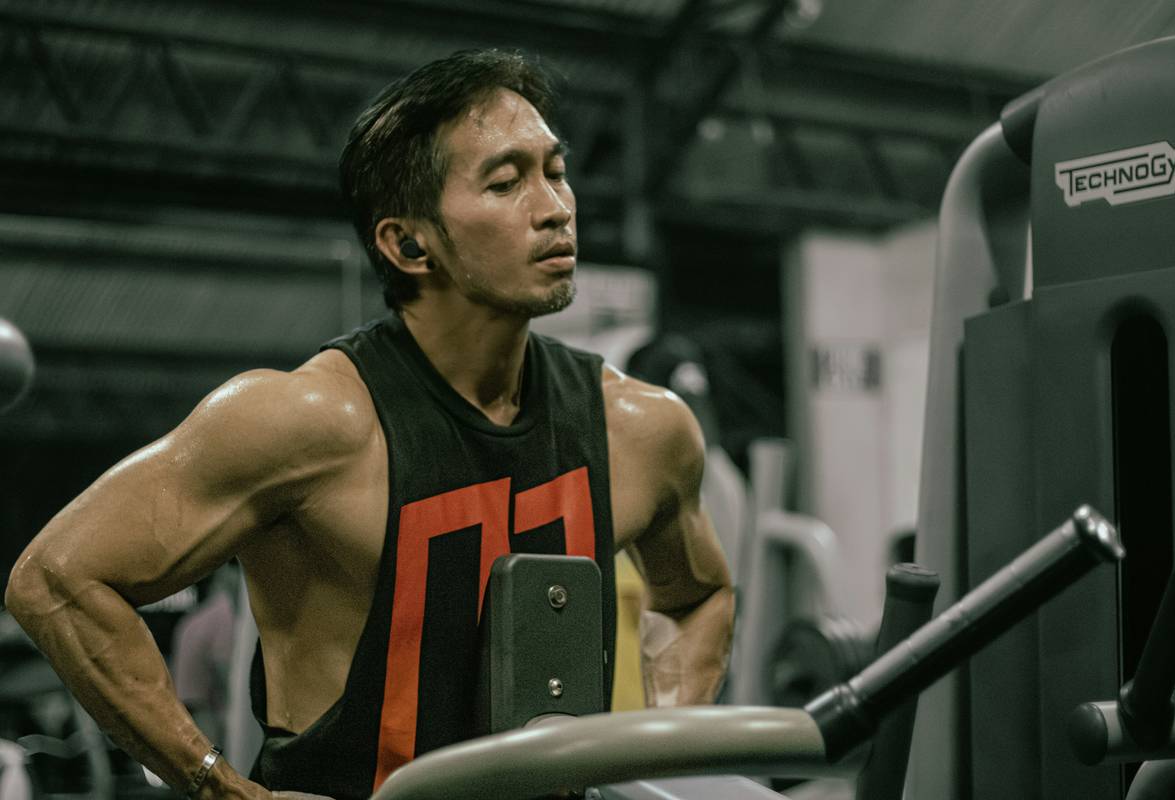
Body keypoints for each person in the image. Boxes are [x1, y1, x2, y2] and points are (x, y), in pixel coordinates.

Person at [4, 49, 734, 799]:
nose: (555, 206)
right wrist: (219, 787)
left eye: (556, 169)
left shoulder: (640, 429)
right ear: (407, 243)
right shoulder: (306, 423)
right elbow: (57, 579)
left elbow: (698, 595)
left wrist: (657, 760)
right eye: (507, 181)